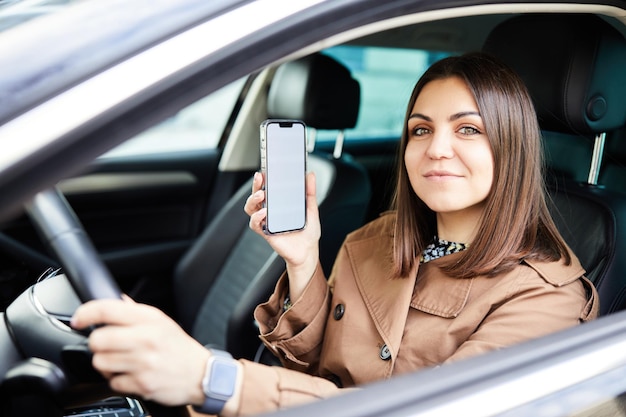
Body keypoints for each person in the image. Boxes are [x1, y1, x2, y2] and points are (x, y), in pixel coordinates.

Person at [71, 52, 599, 416]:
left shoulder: (546, 298)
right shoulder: (370, 242)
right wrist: (303, 261)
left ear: (511, 148)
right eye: (420, 129)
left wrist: (215, 380)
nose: (436, 148)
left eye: (468, 129)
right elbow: (317, 366)